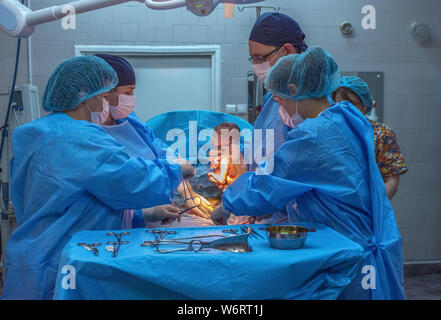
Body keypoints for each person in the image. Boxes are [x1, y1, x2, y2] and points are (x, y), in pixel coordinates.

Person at [213, 47, 404, 300]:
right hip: (367, 239)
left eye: (279, 101)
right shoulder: (346, 118)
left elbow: (267, 184)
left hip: (350, 249)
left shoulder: (313, 135)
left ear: (293, 91)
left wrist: (226, 204)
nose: (280, 111)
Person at [1, 55, 195, 300]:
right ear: (84, 95)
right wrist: (177, 169)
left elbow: (73, 202)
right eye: (104, 97)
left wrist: (143, 214)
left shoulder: (41, 131)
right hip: (58, 262)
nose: (107, 104)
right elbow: (130, 182)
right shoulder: (78, 137)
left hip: (36, 255)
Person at [94, 54, 209, 227]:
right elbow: (115, 186)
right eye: (128, 92)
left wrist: (186, 191)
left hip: (156, 214)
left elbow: (160, 152)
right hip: (123, 227)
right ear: (106, 94)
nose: (132, 98)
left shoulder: (130, 122)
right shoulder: (91, 137)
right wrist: (146, 212)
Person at [332, 76, 408, 199]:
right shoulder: (329, 132)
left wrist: (373, 205)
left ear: (364, 106)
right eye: (338, 105)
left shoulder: (382, 134)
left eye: (351, 105)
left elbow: (391, 180)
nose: (344, 110)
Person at [249, 12, 308, 161]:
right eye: (253, 59)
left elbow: (295, 166)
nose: (255, 65)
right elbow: (260, 146)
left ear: (287, 51)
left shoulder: (308, 98)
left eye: (260, 58)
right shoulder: (272, 96)